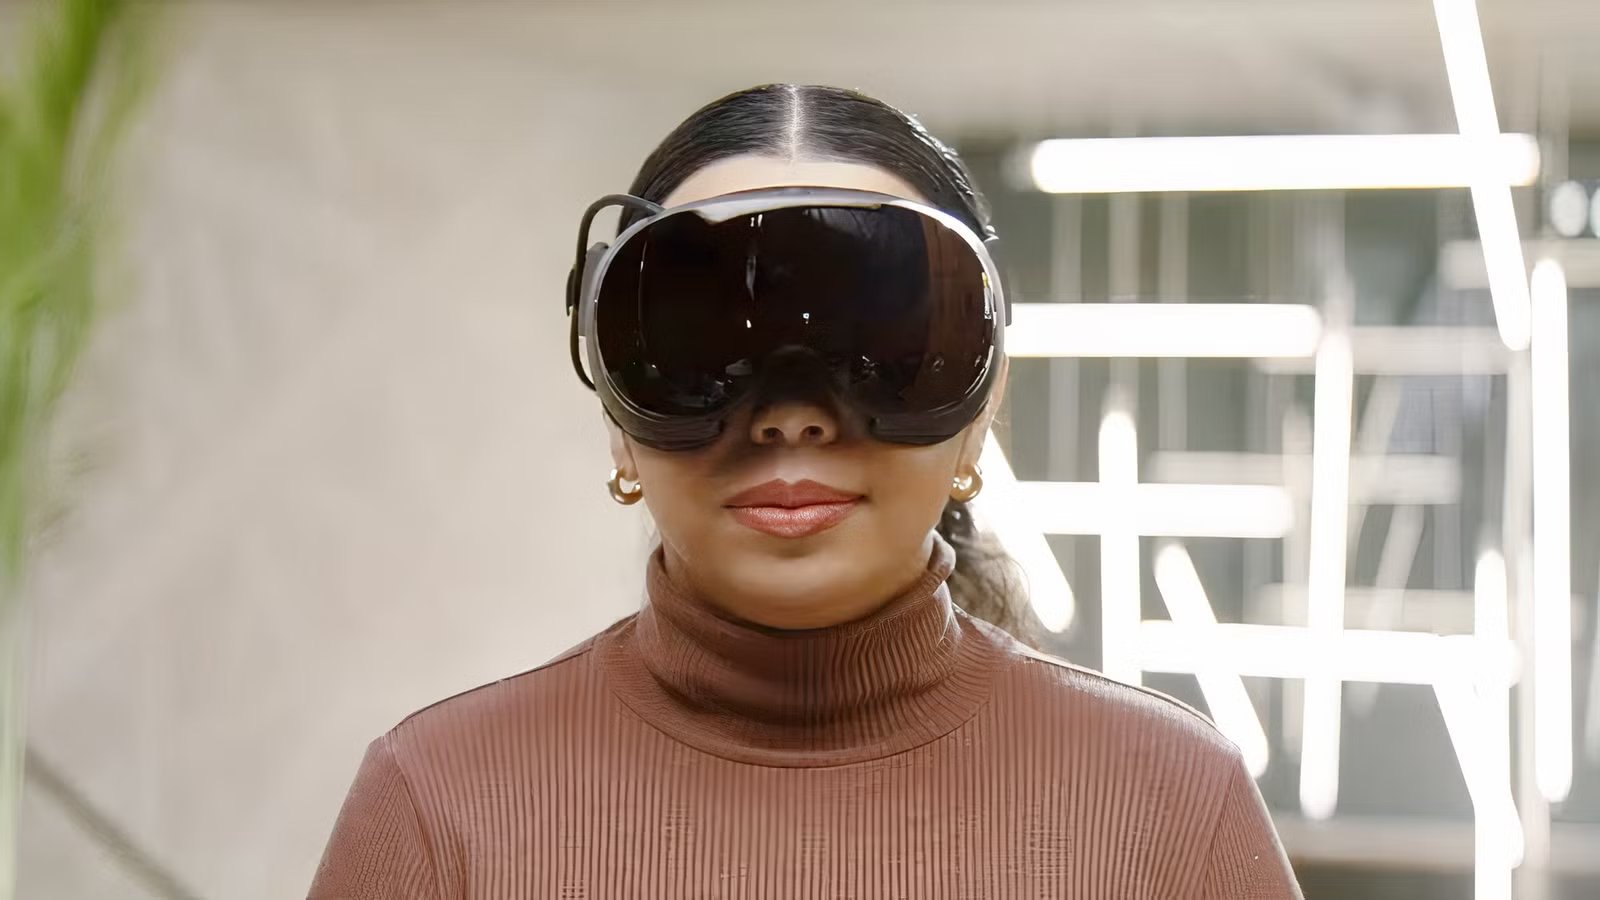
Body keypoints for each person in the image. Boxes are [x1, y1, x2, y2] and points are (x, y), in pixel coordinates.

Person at [309, 83, 1302, 899]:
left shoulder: (1172, 806)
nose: (791, 418)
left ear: (982, 398)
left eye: (878, 346)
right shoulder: (437, 805)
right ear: (616, 409)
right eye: (702, 345)